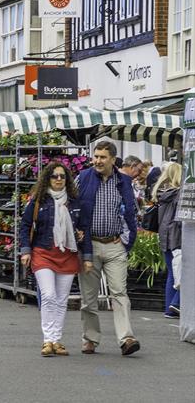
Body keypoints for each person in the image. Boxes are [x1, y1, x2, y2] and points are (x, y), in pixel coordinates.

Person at [19, 162, 92, 357]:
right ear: (47, 179)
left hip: (68, 254)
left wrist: (86, 256)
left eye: (62, 176)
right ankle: (47, 340)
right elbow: (25, 226)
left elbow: (84, 228)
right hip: (43, 252)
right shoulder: (38, 201)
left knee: (61, 300)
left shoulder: (75, 202)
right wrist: (25, 251)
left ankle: (56, 340)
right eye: (54, 176)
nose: (59, 179)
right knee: (49, 296)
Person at [76, 140, 140, 356]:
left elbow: (131, 212)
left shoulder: (124, 181)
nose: (98, 161)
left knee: (120, 293)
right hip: (89, 245)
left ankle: (126, 338)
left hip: (114, 245)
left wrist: (126, 240)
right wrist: (76, 232)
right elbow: (72, 205)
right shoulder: (83, 178)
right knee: (89, 297)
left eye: (103, 157)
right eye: (96, 156)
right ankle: (90, 339)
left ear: (113, 159)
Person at [153, 162, 182, 319]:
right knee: (184, 271)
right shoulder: (178, 194)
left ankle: (169, 308)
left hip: (164, 236)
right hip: (177, 236)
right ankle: (176, 304)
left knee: (172, 272)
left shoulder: (162, 192)